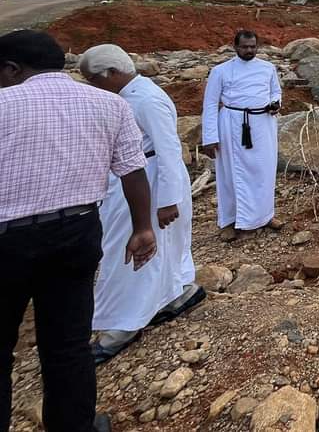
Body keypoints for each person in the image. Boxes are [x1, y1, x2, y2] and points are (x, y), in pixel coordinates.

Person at [0, 30, 156, 432]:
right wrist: (142, 228)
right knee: (68, 345)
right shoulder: (110, 104)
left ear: (12, 68)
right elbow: (133, 170)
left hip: (6, 240)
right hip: (76, 233)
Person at [79, 45, 203, 365]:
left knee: (129, 249)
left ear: (111, 73)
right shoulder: (128, 96)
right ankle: (171, 297)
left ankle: (122, 326)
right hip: (136, 178)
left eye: (93, 80)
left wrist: (168, 199)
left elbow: (168, 149)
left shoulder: (146, 99)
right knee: (155, 249)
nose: (93, 86)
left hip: (149, 181)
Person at [200, 30, 282, 241]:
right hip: (233, 125)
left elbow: (275, 92)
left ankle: (265, 215)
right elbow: (210, 104)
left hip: (263, 124)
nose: (249, 50)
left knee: (264, 170)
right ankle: (229, 221)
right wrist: (210, 137)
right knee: (231, 173)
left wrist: (275, 104)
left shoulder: (267, 68)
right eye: (245, 47)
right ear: (235, 47)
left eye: (253, 47)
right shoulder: (220, 71)